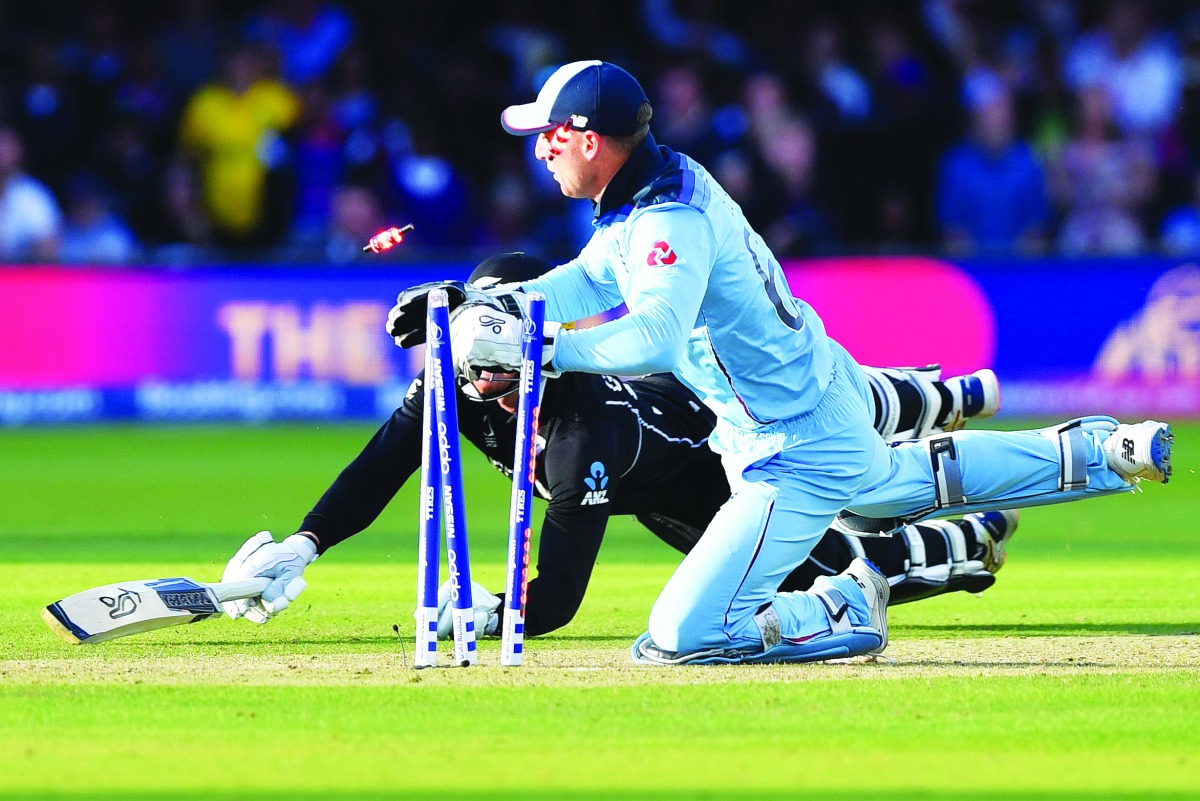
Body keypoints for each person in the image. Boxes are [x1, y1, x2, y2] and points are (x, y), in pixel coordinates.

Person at [396, 61, 1171, 666]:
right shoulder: (649, 191)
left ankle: (844, 605)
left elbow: (657, 338)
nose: (540, 150)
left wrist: (541, 347)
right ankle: (1101, 450)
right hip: (800, 402)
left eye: (550, 136)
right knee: (896, 482)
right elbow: (590, 278)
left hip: (790, 444)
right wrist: (473, 302)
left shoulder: (668, 219)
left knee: (679, 635)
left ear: (590, 140)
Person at [220, 253, 1010, 638]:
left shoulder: (581, 433)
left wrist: (496, 615)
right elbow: (385, 463)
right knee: (841, 582)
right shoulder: (460, 385)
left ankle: (937, 399)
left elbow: (558, 594)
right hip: (663, 496)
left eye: (497, 359)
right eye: (471, 355)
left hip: (721, 453)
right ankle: (958, 545)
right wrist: (304, 543)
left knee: (852, 461)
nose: (479, 378)